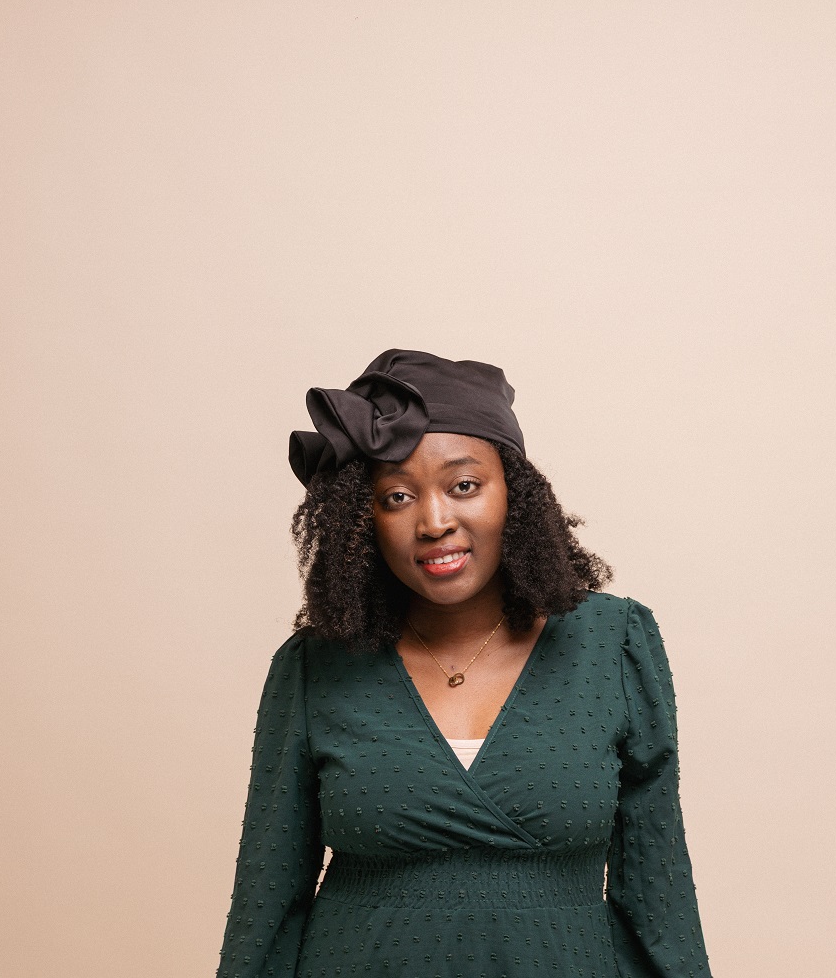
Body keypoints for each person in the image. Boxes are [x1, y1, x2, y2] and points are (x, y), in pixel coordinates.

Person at [216, 349, 713, 978]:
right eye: (397, 496)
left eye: (464, 486)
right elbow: (265, 905)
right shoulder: (315, 666)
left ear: (515, 494)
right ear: (361, 521)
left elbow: (659, 894)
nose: (434, 522)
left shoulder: (612, 642)